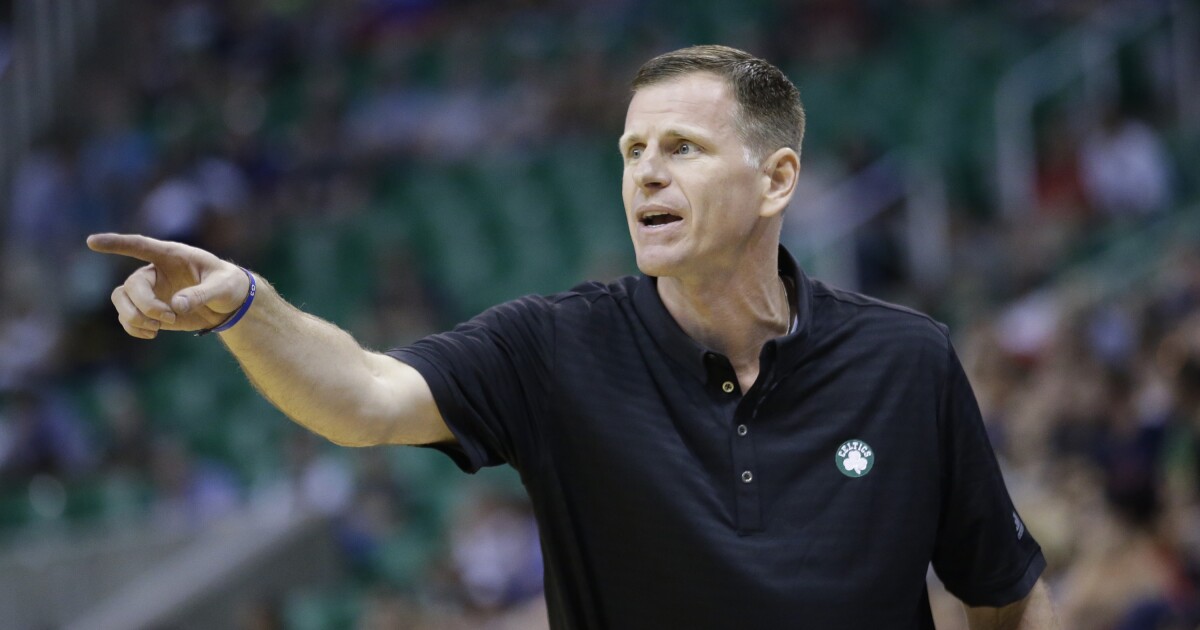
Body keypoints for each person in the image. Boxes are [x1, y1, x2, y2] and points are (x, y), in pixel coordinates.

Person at [88, 45, 1058, 628]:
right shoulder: (553, 349)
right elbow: (362, 399)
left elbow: (1004, 590)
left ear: (777, 180)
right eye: (632, 152)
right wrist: (246, 307)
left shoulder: (908, 359)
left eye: (682, 148)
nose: (644, 174)